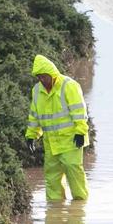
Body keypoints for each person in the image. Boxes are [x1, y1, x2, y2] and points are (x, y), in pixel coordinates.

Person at [25, 53, 90, 203]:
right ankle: (55, 208)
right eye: (39, 77)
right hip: (51, 142)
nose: (42, 80)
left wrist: (81, 132)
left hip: (71, 140)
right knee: (52, 176)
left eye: (44, 76)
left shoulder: (69, 86)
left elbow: (79, 111)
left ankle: (80, 205)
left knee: (73, 170)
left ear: (52, 74)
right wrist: (31, 135)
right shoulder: (37, 90)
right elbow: (34, 115)